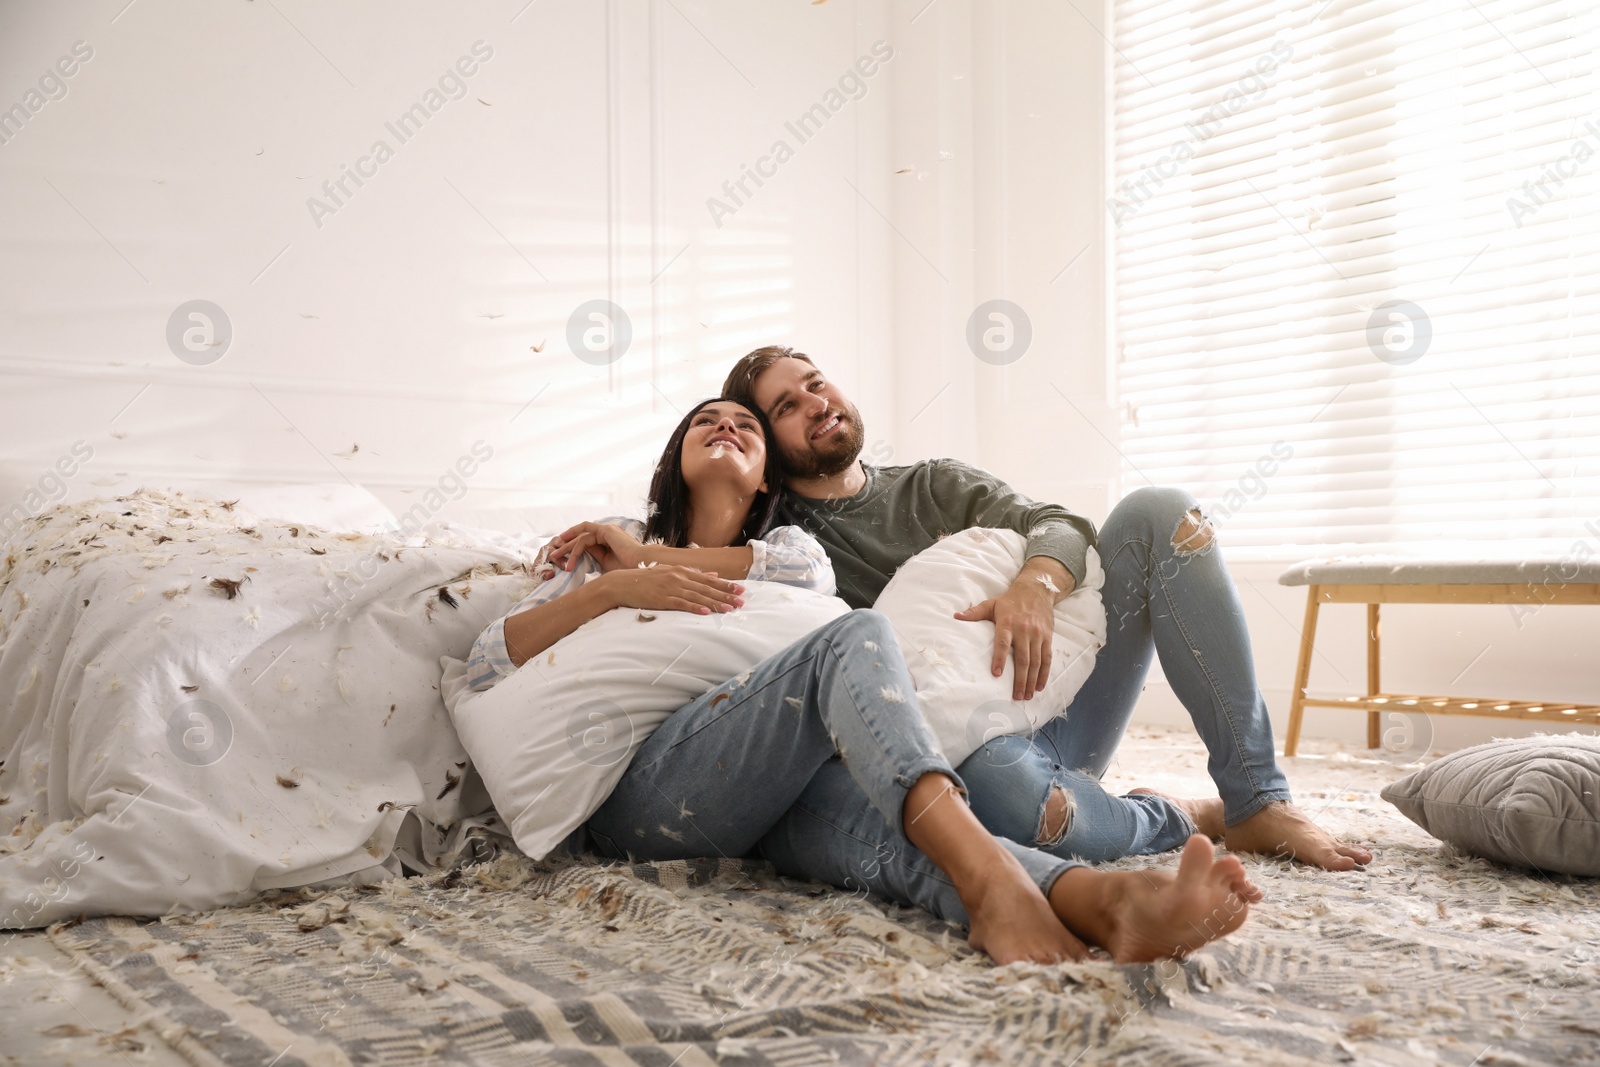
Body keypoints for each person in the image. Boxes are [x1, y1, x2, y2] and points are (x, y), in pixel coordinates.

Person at [466, 397, 1263, 965]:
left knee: (890, 837)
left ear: (765, 478)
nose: (725, 425)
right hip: (649, 783)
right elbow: (490, 664)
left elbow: (788, 576)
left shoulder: (795, 555)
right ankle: (999, 886)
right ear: (674, 459)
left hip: (770, 777)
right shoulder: (605, 550)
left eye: (744, 424)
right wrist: (614, 586)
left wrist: (651, 565)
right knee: (858, 638)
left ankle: (1106, 902)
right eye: (705, 420)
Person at [722, 347, 1375, 872]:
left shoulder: (934, 485)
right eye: (787, 405)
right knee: (1000, 795)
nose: (816, 402)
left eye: (816, 382)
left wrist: (1034, 583)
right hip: (979, 758)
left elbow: (1056, 522)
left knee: (1160, 513)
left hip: (1061, 697)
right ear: (766, 450)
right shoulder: (777, 549)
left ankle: (1258, 797)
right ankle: (1180, 816)